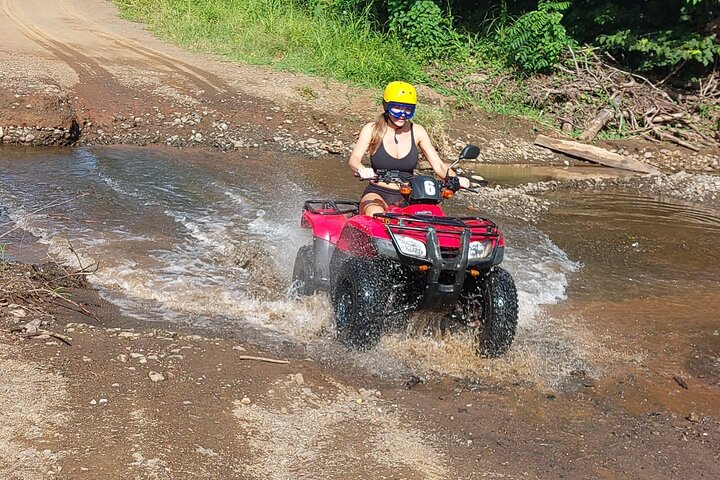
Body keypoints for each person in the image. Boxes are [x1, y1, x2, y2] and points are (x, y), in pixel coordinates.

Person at [348, 81, 470, 216]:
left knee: (437, 219)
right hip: (378, 192)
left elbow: (439, 166)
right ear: (386, 106)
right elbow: (354, 159)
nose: (402, 114)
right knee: (375, 214)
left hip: (411, 195)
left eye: (408, 109)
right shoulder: (372, 129)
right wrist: (362, 170)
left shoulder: (417, 131)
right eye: (397, 108)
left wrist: (456, 179)